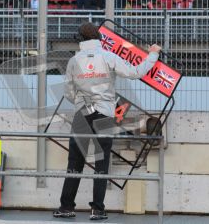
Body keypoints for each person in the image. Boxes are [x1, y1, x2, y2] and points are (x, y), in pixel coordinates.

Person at [53, 22, 161, 220]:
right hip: (104, 113)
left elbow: (68, 92)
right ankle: (98, 209)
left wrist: (81, 102)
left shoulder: (74, 61)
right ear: (99, 38)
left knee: (75, 162)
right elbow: (135, 72)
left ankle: (66, 206)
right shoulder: (109, 57)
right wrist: (152, 54)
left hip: (82, 114)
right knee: (102, 162)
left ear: (80, 39)